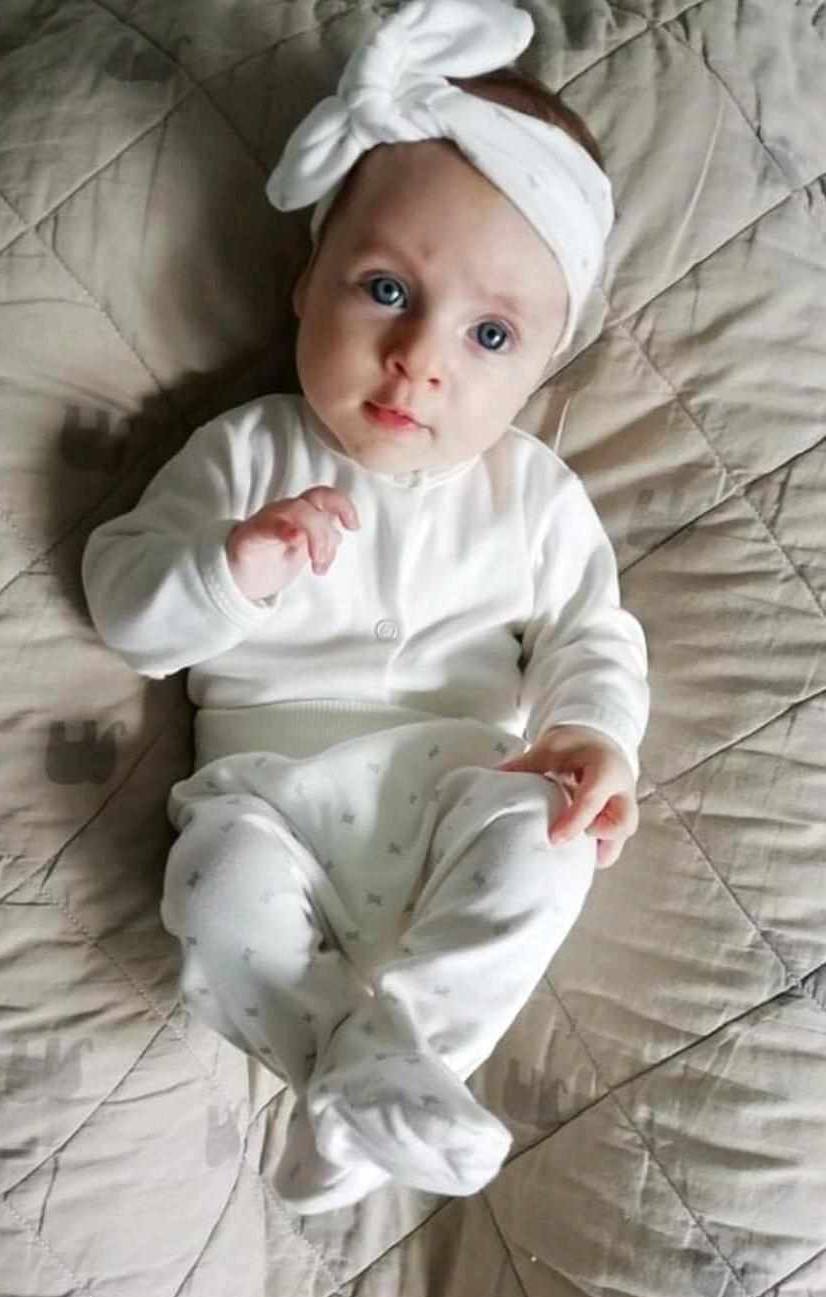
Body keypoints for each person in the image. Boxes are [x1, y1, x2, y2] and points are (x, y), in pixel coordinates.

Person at [82, 0, 649, 1213]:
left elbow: (591, 632)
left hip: (460, 800)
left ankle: (386, 1068)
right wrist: (232, 568)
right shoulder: (246, 452)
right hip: (267, 804)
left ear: (538, 370)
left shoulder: (532, 494)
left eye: (488, 334)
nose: (419, 357)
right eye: (386, 288)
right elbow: (125, 604)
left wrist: (592, 732)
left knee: (551, 843)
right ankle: (355, 1074)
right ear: (306, 284)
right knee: (212, 894)